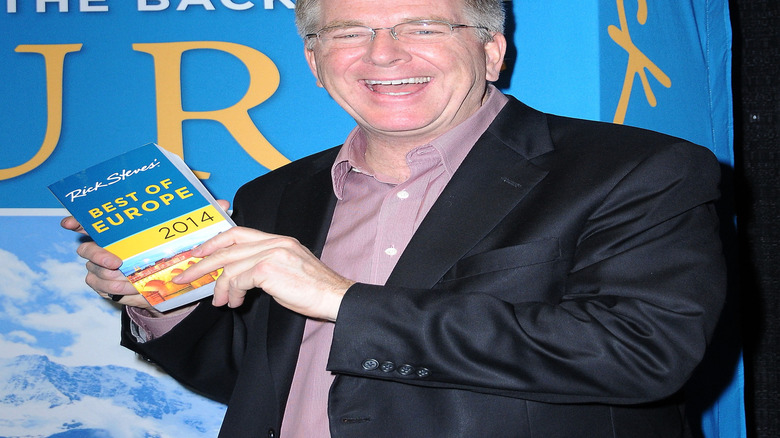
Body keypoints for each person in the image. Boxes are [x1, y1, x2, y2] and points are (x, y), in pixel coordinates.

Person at [62, 0, 726, 436]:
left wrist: (341, 300)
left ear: (491, 51)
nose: (384, 54)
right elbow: (249, 376)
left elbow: (641, 354)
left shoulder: (638, 170)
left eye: (424, 27)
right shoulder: (274, 196)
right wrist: (165, 294)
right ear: (316, 63)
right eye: (349, 32)